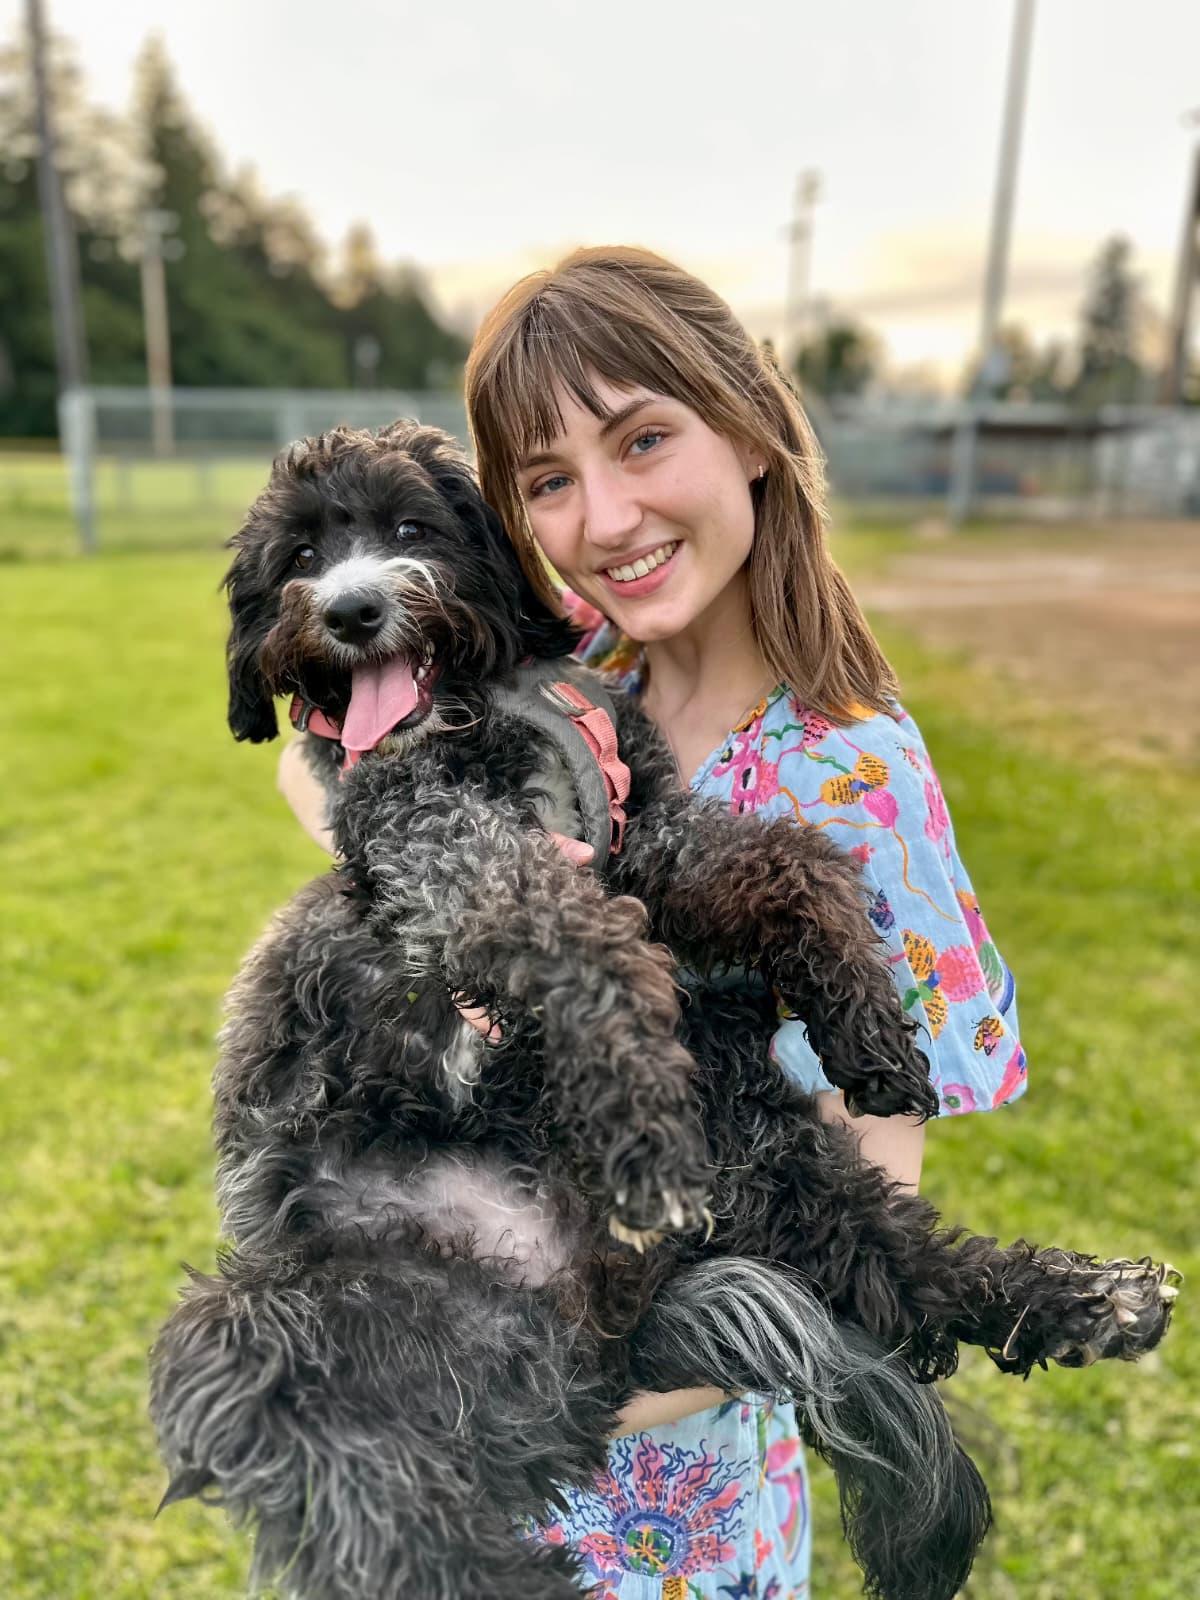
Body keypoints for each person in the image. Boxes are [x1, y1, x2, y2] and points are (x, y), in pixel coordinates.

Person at [278, 245, 1027, 1599]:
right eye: (551, 481)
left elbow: (867, 1207)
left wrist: (531, 1399)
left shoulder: (852, 776)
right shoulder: (563, 687)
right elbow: (315, 757)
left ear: (745, 427)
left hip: (660, 1499)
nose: (608, 516)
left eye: (642, 440)